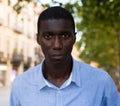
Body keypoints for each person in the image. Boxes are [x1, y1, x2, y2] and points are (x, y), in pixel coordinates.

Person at [10, 6, 120, 106]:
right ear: (38, 39)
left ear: (74, 38)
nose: (57, 45)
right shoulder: (20, 85)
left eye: (65, 35)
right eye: (48, 36)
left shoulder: (101, 82)